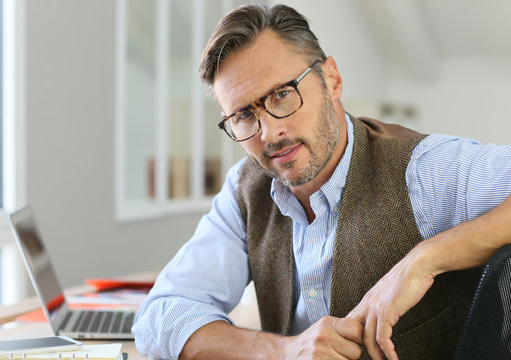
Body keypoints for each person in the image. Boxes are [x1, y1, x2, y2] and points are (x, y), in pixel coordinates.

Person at [132, 3, 511, 359]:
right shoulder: (246, 190)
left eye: (282, 94)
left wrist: (425, 259)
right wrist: (283, 351)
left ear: (331, 79)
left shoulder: (422, 170)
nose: (270, 132)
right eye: (244, 115)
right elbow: (160, 315)